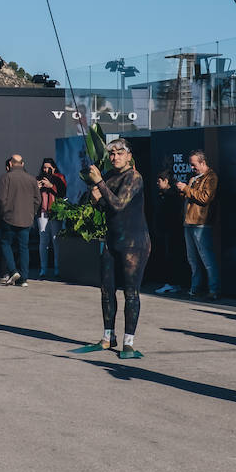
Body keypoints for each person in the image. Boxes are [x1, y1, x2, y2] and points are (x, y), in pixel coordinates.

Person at [75, 140, 150, 358]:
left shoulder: (134, 177)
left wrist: (99, 183)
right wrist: (95, 197)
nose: (115, 157)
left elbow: (118, 204)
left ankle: (128, 342)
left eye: (119, 153)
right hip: (112, 239)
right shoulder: (108, 175)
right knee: (106, 290)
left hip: (134, 242)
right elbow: (105, 205)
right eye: (112, 154)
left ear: (129, 156)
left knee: (130, 292)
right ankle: (108, 337)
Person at [175, 150, 220, 300]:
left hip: (201, 223)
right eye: (191, 165)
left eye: (194, 165)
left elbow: (205, 198)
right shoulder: (193, 178)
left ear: (202, 162)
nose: (192, 168)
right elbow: (190, 196)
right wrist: (183, 191)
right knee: (192, 259)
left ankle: (213, 289)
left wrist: (186, 189)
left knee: (207, 258)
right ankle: (195, 288)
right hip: (188, 222)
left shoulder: (211, 177)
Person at [0, 154, 37, 286]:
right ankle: (23, 279)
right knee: (24, 248)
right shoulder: (31, 179)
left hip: (9, 218)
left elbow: (1, 199)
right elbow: (37, 200)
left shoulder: (6, 177)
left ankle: (13, 271)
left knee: (5, 244)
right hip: (26, 218)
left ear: (11, 164)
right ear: (22, 164)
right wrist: (32, 213)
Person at [152, 170, 183, 295]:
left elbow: (170, 215)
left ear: (166, 181)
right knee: (169, 256)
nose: (157, 183)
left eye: (159, 181)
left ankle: (172, 283)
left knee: (171, 257)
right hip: (166, 231)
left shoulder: (172, 196)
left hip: (171, 232)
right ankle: (172, 283)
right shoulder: (163, 194)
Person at [35, 157, 67, 279]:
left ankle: (57, 268)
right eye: (44, 167)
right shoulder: (38, 179)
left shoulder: (59, 177)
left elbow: (63, 192)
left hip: (55, 212)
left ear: (54, 168)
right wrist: (36, 188)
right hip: (42, 212)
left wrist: (51, 186)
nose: (46, 170)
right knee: (43, 240)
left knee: (56, 240)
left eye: (49, 167)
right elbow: (33, 196)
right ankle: (43, 269)